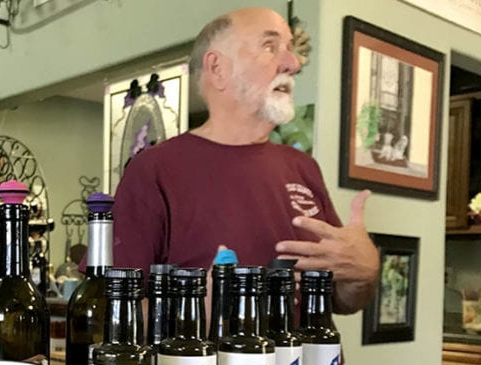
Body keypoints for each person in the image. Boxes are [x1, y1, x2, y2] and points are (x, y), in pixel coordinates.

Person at [112, 7, 379, 314]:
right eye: (270, 46)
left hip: (310, 363)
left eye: (290, 50)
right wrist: (195, 308)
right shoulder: (153, 170)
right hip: (205, 364)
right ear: (218, 68)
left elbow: (339, 301)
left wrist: (361, 273)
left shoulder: (303, 166)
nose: (292, 63)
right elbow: (109, 315)